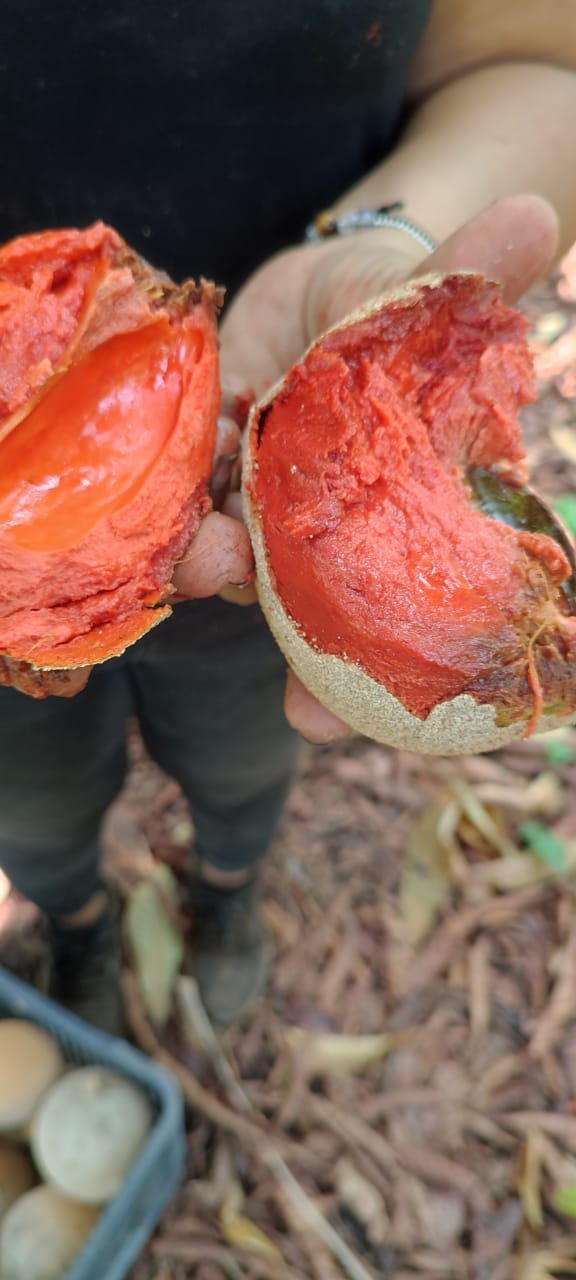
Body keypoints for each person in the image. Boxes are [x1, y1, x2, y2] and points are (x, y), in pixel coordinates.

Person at [0, 0, 575, 1033]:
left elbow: (539, 60)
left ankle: (225, 888)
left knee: (243, 760)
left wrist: (385, 235)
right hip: (212, 479)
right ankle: (74, 916)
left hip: (250, 527)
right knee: (31, 806)